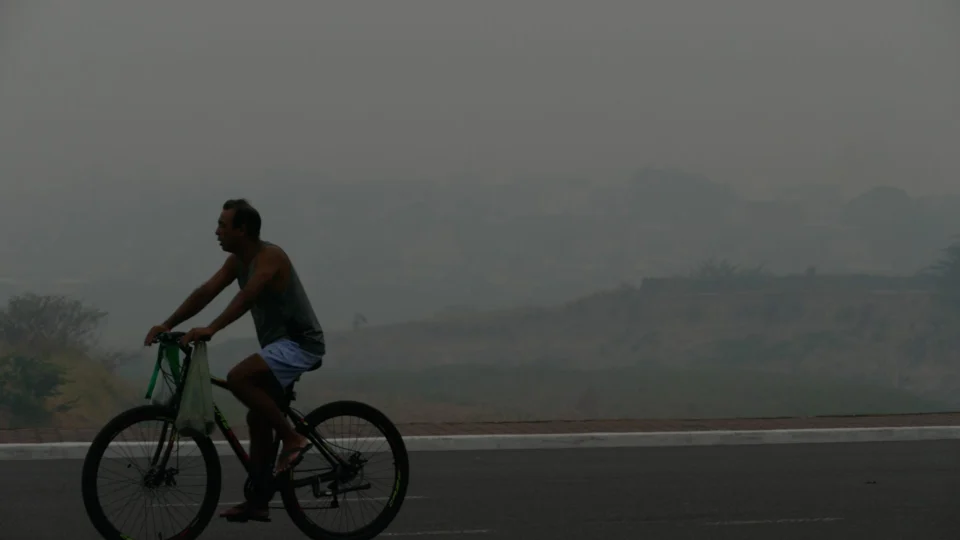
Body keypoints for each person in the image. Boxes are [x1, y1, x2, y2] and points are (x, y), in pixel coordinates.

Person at [143, 198, 325, 522]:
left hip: (300, 344)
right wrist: (168, 324)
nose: (217, 232)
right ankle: (259, 499)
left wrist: (212, 328)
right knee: (258, 418)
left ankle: (293, 438)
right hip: (277, 348)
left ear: (242, 230)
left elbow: (247, 296)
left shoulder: (270, 257)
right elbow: (206, 291)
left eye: (222, 226)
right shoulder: (235, 261)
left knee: (239, 378)